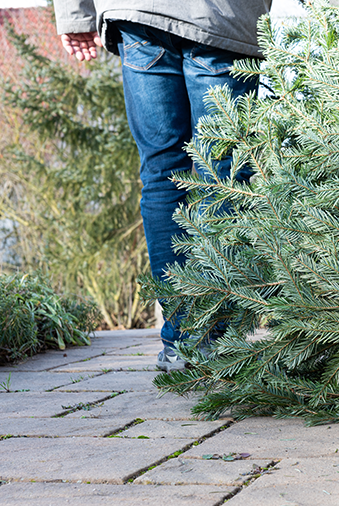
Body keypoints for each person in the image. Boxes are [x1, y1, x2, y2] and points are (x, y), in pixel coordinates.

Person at [54, 1, 271, 371]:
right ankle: (211, 338)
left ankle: (182, 340)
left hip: (141, 15)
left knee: (162, 174)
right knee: (224, 175)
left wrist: (75, 15)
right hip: (222, 17)